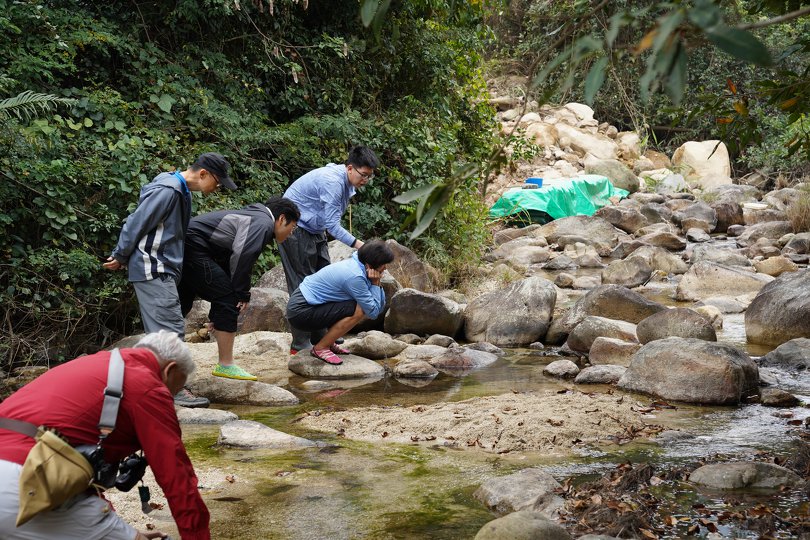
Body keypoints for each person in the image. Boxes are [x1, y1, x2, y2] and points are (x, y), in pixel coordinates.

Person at [0, 331, 210, 540]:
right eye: (174, 390)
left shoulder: (98, 365)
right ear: (170, 370)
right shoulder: (148, 386)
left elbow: (75, 468)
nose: (170, 398)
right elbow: (177, 477)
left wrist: (124, 531)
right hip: (25, 480)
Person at [103, 152, 237, 408]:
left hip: (160, 267)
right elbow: (136, 222)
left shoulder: (179, 189)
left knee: (161, 330)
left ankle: (146, 385)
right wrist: (120, 254)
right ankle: (173, 391)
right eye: (217, 182)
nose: (217, 188)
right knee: (170, 330)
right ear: (203, 174)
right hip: (153, 266)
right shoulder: (168, 190)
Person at [178, 196, 300, 381]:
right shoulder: (264, 223)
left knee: (181, 306)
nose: (291, 233)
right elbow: (243, 255)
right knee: (230, 298)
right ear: (282, 218)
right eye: (293, 227)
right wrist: (242, 294)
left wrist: (217, 316)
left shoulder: (254, 216)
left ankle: (161, 355)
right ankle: (226, 365)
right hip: (194, 247)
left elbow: (226, 266)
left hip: (184, 246)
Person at [279, 145, 379, 355]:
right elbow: (333, 225)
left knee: (326, 281)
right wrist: (361, 246)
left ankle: (321, 338)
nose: (365, 181)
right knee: (302, 285)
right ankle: (300, 345)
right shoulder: (332, 182)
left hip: (315, 230)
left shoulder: (345, 180)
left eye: (369, 177)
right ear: (350, 168)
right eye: (364, 175)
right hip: (294, 230)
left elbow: (327, 222)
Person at [286, 239, 394, 365]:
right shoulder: (355, 276)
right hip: (300, 312)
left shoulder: (358, 264)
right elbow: (373, 312)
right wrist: (375, 283)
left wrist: (376, 284)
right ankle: (321, 348)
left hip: (308, 306)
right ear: (370, 265)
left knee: (357, 304)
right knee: (359, 309)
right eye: (384, 264)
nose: (385, 268)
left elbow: (378, 308)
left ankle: (329, 342)